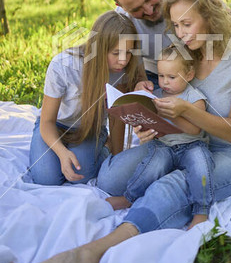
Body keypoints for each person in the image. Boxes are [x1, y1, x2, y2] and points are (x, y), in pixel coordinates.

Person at [11, 0, 231, 263]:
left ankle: (93, 251)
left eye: (187, 24)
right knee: (109, 180)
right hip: (178, 142)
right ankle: (128, 203)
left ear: (209, 17)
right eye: (176, 26)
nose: (180, 33)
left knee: (176, 184)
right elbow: (167, 93)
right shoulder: (185, 54)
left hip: (227, 151)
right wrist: (149, 107)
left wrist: (184, 111)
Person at [29, 11, 145, 185]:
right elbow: (47, 122)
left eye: (128, 53)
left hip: (90, 128)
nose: (123, 60)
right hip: (57, 126)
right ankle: (67, 152)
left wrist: (115, 159)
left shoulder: (123, 70)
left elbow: (116, 119)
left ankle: (102, 148)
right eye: (116, 53)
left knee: (82, 174)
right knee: (46, 179)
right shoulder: (63, 66)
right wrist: (62, 153)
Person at [106, 45, 213, 229]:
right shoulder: (156, 96)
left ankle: (201, 210)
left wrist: (171, 115)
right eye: (161, 76)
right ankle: (129, 197)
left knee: (201, 165)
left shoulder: (195, 97)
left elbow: (195, 130)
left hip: (192, 145)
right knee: (151, 165)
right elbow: (149, 121)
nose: (164, 82)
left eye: (172, 77)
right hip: (164, 145)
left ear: (188, 75)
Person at [107, 0, 231, 89]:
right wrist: (142, 82)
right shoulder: (121, 21)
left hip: (201, 65)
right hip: (158, 74)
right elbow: (134, 65)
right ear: (122, 7)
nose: (149, 10)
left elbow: (224, 16)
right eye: (136, 9)